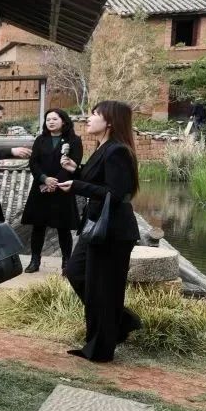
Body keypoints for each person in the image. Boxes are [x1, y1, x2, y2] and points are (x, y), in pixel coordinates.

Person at [57, 100, 142, 362]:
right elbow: (101, 181)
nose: (89, 118)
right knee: (76, 272)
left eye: (95, 114)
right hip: (96, 226)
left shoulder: (118, 151)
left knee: (103, 287)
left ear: (110, 122)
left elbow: (115, 193)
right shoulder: (104, 148)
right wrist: (78, 171)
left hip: (112, 230)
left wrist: (77, 186)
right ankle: (121, 322)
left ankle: (101, 348)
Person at [21, 109, 82, 273]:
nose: (51, 122)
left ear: (64, 121)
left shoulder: (74, 140)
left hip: (62, 188)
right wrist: (44, 179)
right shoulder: (40, 140)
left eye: (54, 119)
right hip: (41, 188)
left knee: (63, 228)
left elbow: (74, 163)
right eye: (48, 119)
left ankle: (66, 263)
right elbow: (33, 163)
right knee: (38, 226)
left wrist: (55, 182)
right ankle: (35, 260)